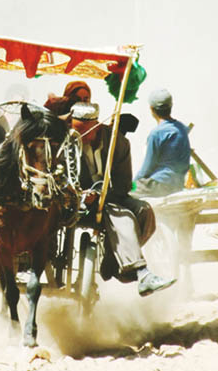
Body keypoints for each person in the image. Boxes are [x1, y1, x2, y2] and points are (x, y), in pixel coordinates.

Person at [69, 102, 174, 296]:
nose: (79, 137)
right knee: (121, 216)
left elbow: (123, 185)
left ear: (96, 126)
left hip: (110, 197)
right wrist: (80, 194)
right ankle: (140, 272)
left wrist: (100, 196)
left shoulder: (118, 143)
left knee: (144, 211)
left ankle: (114, 256)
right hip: (75, 202)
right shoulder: (67, 143)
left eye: (84, 132)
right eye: (76, 131)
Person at [135, 89, 191, 197]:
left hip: (159, 184)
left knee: (126, 190)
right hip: (178, 184)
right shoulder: (182, 128)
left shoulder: (156, 133)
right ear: (171, 106)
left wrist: (132, 183)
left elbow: (147, 168)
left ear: (151, 109)